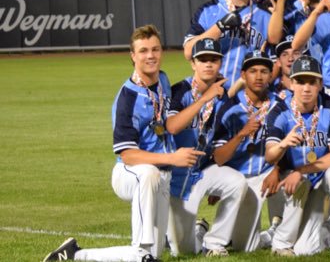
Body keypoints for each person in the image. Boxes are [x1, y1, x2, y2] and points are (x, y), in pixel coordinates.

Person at [45, 25, 204, 261]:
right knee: (148, 174)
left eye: (155, 49)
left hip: (162, 177)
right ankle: (142, 249)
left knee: (151, 254)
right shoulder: (127, 99)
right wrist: (172, 158)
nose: (150, 55)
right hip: (130, 173)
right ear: (133, 56)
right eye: (143, 51)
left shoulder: (162, 78)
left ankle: (75, 254)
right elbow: (128, 154)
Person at [264, 56, 330, 260]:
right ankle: (283, 241)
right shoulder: (280, 111)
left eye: (311, 82)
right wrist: (282, 144)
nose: (306, 88)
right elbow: (269, 155)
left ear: (320, 84)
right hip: (294, 183)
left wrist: (301, 171)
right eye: (300, 81)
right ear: (291, 83)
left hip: (321, 178)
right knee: (306, 249)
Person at [165, 38, 246, 257]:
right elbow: (172, 127)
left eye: (213, 60)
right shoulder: (179, 91)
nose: (208, 64)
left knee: (237, 182)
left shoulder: (225, 101)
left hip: (202, 171)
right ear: (193, 64)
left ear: (220, 64)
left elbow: (219, 152)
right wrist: (203, 100)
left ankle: (215, 243)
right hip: (177, 177)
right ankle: (198, 230)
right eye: (203, 60)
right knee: (181, 251)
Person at [210, 51, 284, 253]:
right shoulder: (229, 107)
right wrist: (241, 134)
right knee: (246, 248)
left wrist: (278, 169)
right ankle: (268, 235)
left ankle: (284, 232)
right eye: (253, 71)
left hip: (268, 173)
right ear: (243, 75)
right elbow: (219, 157)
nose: (259, 76)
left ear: (271, 75)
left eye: (264, 71)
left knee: (294, 178)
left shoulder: (281, 106)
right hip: (240, 180)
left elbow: (293, 146)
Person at [184, 0, 278, 85]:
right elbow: (188, 52)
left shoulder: (265, 16)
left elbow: (275, 62)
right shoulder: (208, 11)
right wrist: (220, 26)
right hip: (212, 95)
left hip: (248, 98)